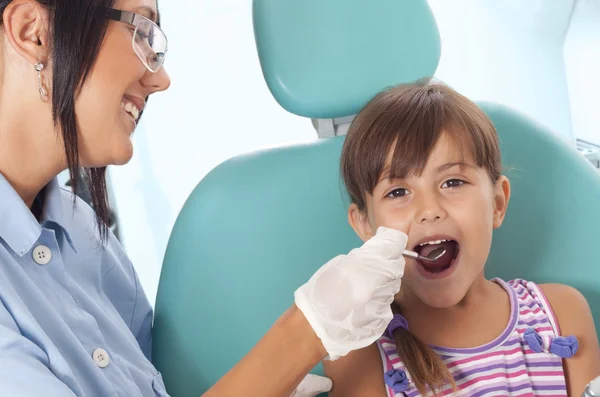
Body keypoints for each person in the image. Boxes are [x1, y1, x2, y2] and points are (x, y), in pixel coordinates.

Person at [0, 0, 409, 396]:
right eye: (141, 31)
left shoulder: (79, 231)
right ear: (32, 32)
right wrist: (306, 334)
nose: (160, 79)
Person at [323, 81, 600, 396]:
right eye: (398, 191)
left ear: (497, 203)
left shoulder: (561, 313)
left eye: (452, 182)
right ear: (365, 226)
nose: (429, 210)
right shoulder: (359, 352)